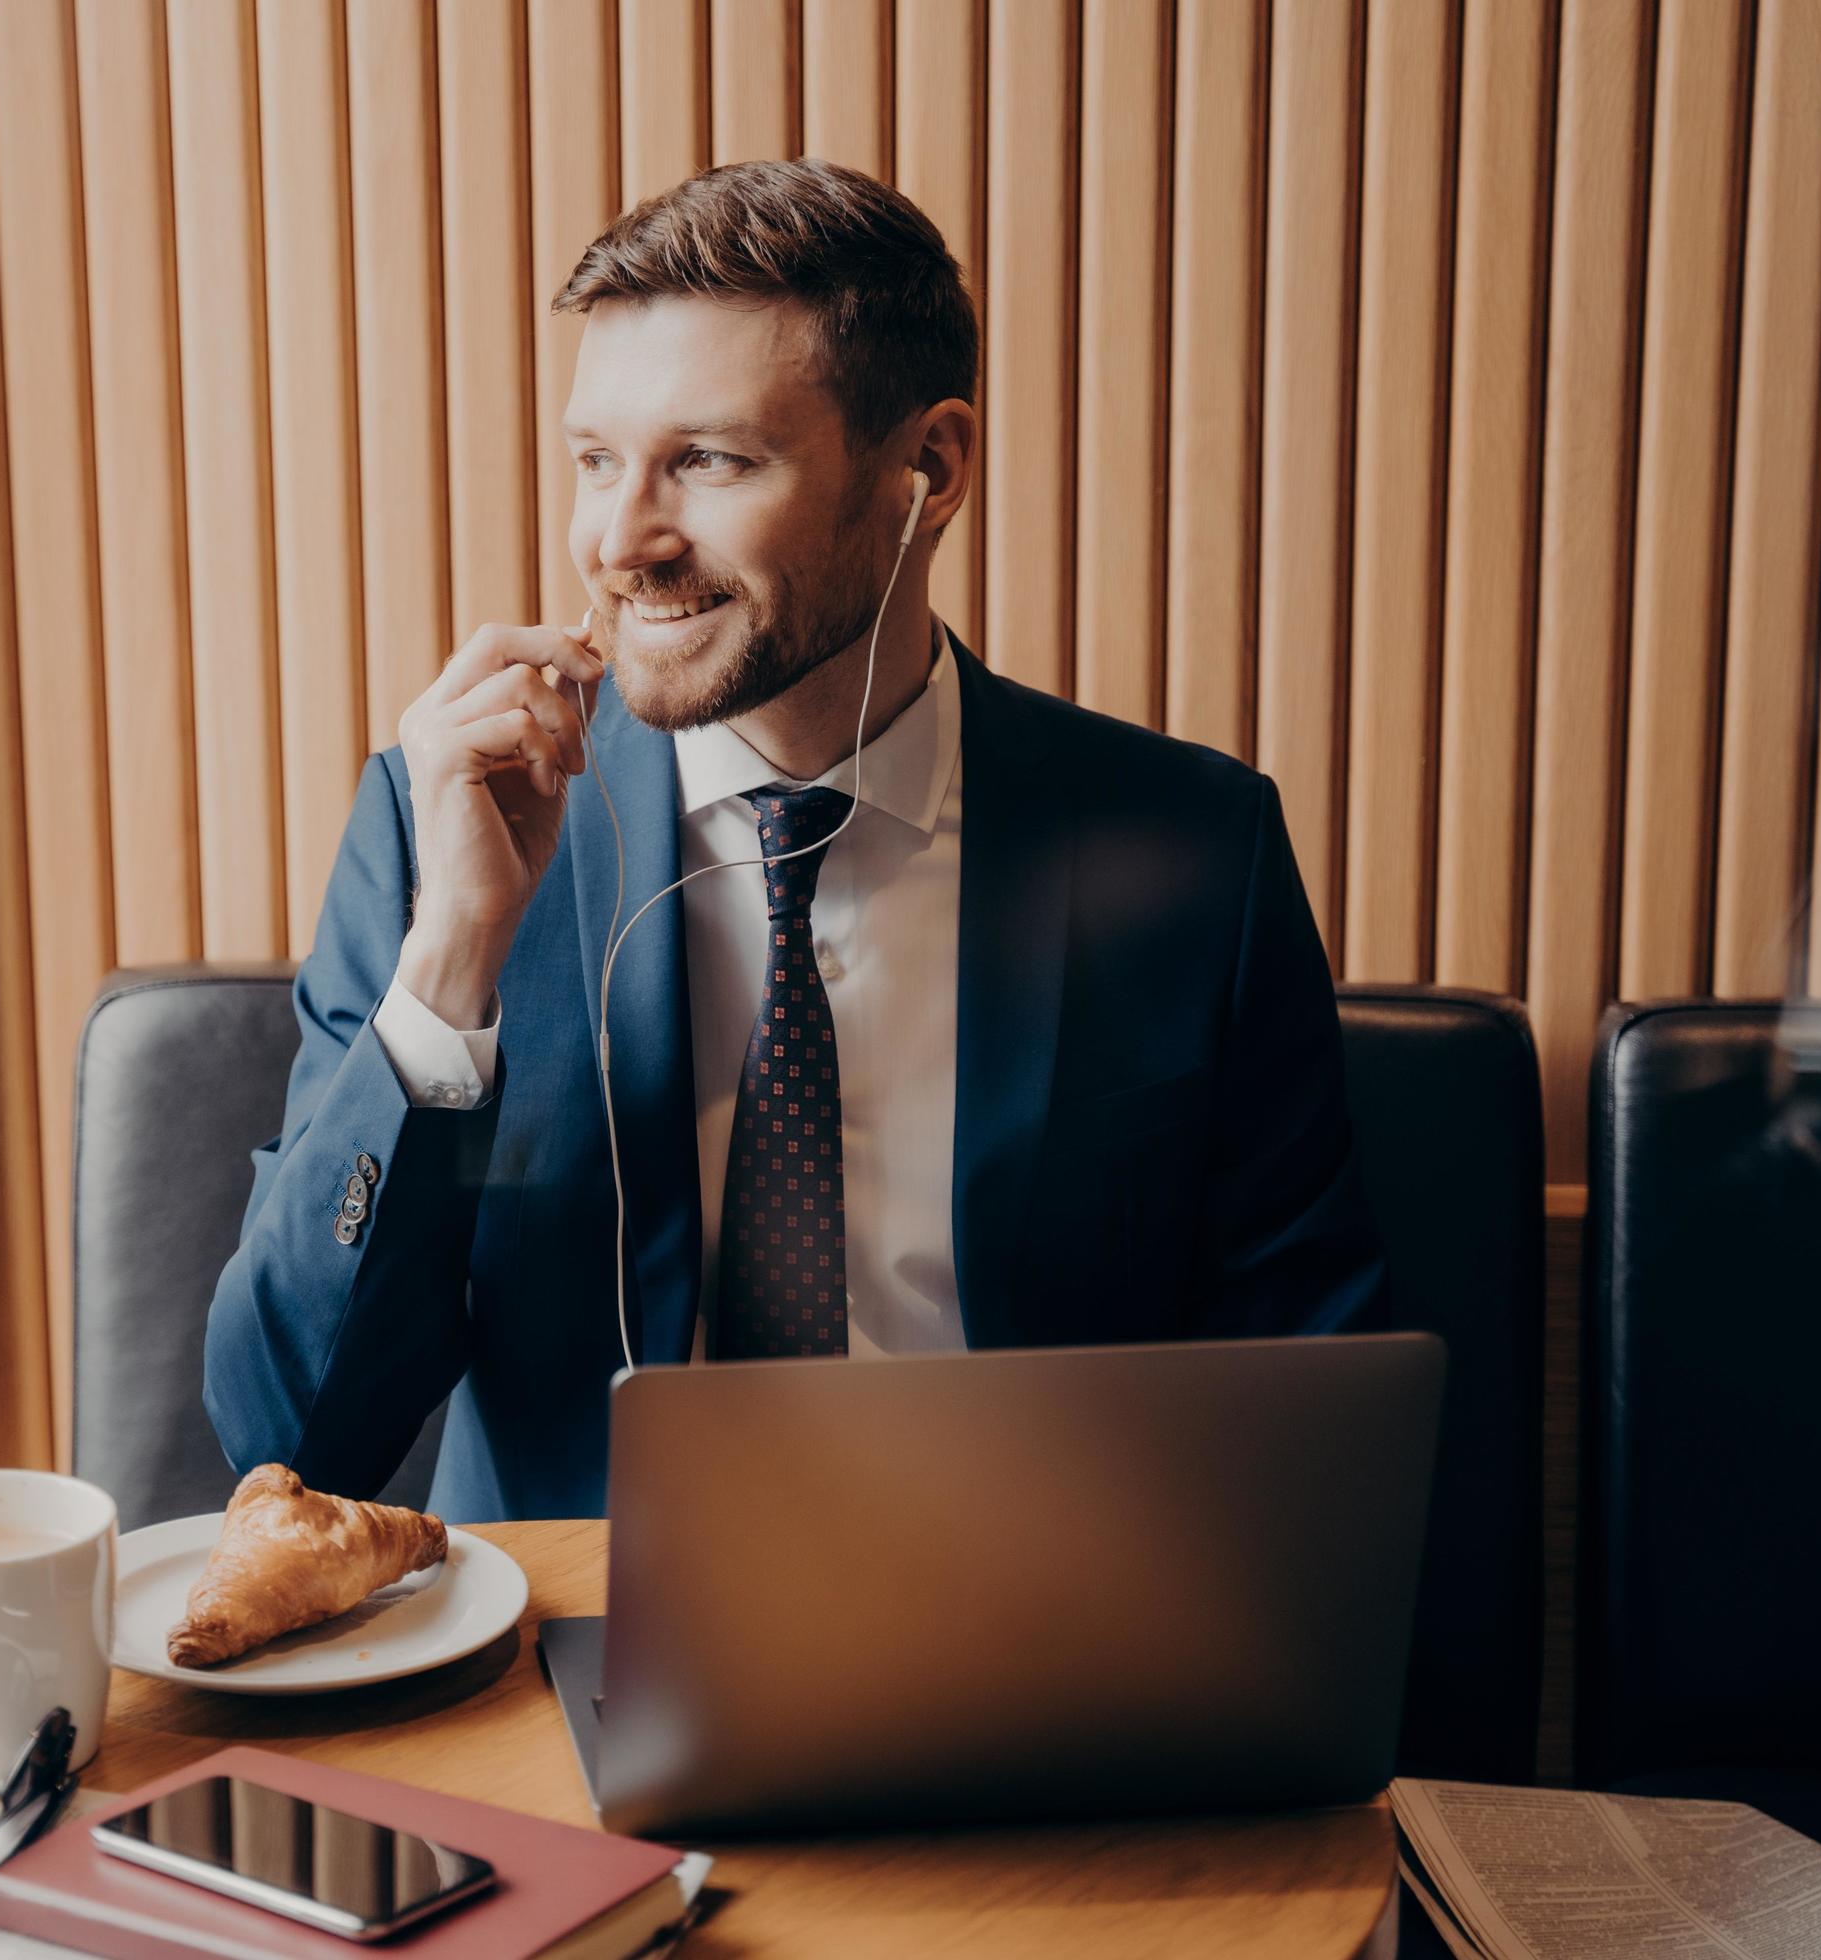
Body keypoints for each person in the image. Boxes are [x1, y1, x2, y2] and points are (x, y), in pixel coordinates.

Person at [206, 159, 1384, 1522]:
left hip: (1031, 1672)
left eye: (707, 461)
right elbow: (294, 1437)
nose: (620, 541)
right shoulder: (441, 832)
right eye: (597, 463)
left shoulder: (1197, 854)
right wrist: (454, 964)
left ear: (927, 472)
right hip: (570, 1676)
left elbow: (1310, 1416)